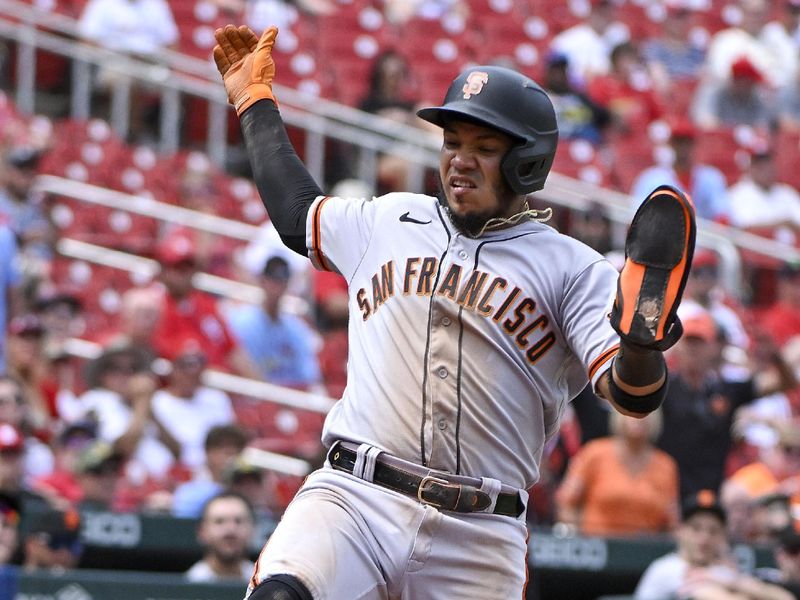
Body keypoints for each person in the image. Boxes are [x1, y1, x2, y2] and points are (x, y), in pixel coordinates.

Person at [213, 24, 696, 599]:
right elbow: (298, 216)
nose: (461, 161)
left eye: (485, 149)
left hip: (480, 529)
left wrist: (641, 344)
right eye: (452, 143)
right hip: (357, 497)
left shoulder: (574, 268)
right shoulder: (390, 220)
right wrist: (255, 105)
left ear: (527, 164)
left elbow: (633, 396)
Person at [634, 490, 793, 600]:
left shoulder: (721, 571)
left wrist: (732, 582)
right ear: (681, 531)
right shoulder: (667, 568)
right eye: (696, 528)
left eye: (713, 531)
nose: (704, 537)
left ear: (722, 536)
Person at [555, 409, 679, 537]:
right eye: (631, 412)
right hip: (597, 545)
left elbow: (671, 523)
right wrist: (578, 536)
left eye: (645, 413)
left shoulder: (666, 465)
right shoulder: (594, 453)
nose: (638, 419)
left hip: (644, 550)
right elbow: (566, 503)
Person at [225, 256, 322, 389]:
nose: (276, 286)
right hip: (252, 396)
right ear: (262, 280)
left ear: (287, 284)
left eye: (281, 281)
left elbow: (308, 376)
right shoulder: (240, 321)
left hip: (288, 396)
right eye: (272, 280)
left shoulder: (296, 328)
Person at [151, 336, 236, 470]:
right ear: (172, 367)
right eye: (185, 364)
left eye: (199, 362)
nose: (192, 371)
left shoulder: (217, 398)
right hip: (179, 471)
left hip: (218, 469)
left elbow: (229, 442)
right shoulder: (157, 402)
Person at [630, 120, 730, 224]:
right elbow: (636, 218)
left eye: (687, 142)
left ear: (694, 144)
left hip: (704, 238)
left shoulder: (711, 178)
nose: (683, 148)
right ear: (671, 144)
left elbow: (723, 215)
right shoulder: (651, 179)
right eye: (679, 142)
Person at [185, 491, 256, 583]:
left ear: (252, 529)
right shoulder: (191, 582)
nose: (230, 530)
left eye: (238, 521)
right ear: (202, 531)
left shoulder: (263, 582)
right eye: (219, 521)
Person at [21, 508, 83, 573]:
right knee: (34, 552)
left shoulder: (74, 540)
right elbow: (32, 544)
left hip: (63, 570)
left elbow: (73, 556)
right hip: (42, 562)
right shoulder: (48, 528)